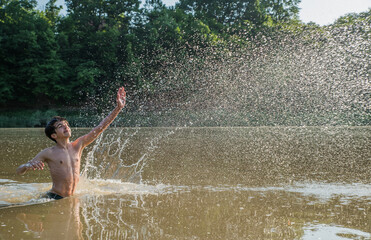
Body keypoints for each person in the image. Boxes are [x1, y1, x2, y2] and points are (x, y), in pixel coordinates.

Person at [16, 87, 127, 200]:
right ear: (54, 135)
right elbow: (19, 171)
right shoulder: (48, 153)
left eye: (66, 124)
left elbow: (100, 127)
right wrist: (27, 166)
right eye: (60, 126)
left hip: (71, 198)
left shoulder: (78, 145)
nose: (66, 126)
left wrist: (118, 108)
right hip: (54, 197)